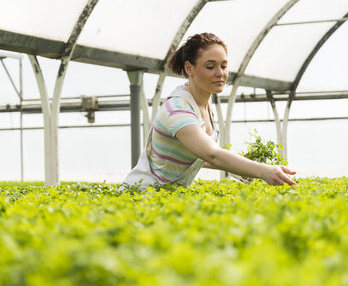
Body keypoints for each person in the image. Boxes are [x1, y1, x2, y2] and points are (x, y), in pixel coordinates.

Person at [120, 33, 296, 191]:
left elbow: (199, 156)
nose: (220, 73)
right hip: (141, 194)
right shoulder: (178, 108)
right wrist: (263, 171)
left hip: (166, 198)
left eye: (224, 66)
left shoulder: (205, 104)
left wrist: (246, 169)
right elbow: (210, 153)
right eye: (210, 67)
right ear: (189, 68)